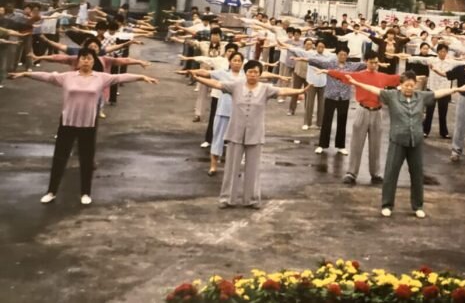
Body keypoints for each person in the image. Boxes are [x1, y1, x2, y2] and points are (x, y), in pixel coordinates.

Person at [8, 47, 158, 205]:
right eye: (83, 58)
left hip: (88, 124)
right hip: (67, 123)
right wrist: (25, 74)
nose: (86, 61)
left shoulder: (100, 77)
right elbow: (46, 76)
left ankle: (85, 193)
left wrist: (141, 77)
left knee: (86, 160)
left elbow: (120, 77)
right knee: (60, 158)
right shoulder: (67, 77)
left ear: (93, 62)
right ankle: (51, 191)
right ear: (78, 61)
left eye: (89, 58)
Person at [346, 71, 465, 218]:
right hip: (397, 141)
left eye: (412, 85)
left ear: (415, 85)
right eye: (406, 85)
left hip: (415, 141)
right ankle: (387, 204)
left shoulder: (420, 97)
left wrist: (455, 89)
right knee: (391, 173)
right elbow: (375, 89)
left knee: (417, 174)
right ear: (400, 85)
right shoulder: (392, 96)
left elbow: (437, 93)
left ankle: (417, 206)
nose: (409, 88)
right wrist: (356, 83)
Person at [192, 60, 309, 209]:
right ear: (245, 73)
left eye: (256, 72)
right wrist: (197, 78)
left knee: (253, 168)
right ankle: (227, 198)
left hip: (255, 133)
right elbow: (216, 84)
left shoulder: (265, 88)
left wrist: (299, 91)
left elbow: (282, 91)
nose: (253, 75)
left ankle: (252, 199)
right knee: (231, 167)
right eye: (250, 72)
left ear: (260, 74)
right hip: (235, 132)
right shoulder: (235, 85)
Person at [330, 52, 400, 185]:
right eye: (372, 62)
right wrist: (327, 71)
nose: (374, 65)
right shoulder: (359, 75)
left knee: (376, 144)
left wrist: (414, 78)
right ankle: (351, 173)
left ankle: (376, 173)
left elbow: (398, 78)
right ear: (366, 61)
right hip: (362, 110)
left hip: (377, 112)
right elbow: (342, 75)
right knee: (356, 143)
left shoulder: (382, 76)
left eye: (376, 62)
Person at [307, 45, 366, 155]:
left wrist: (378, 63)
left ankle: (341, 146)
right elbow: (316, 61)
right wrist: (304, 58)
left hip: (344, 97)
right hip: (331, 96)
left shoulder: (352, 66)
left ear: (347, 55)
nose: (343, 56)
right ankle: (322, 145)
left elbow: (365, 65)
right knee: (327, 121)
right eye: (340, 54)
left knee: (342, 121)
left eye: (345, 55)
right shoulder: (330, 64)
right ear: (337, 55)